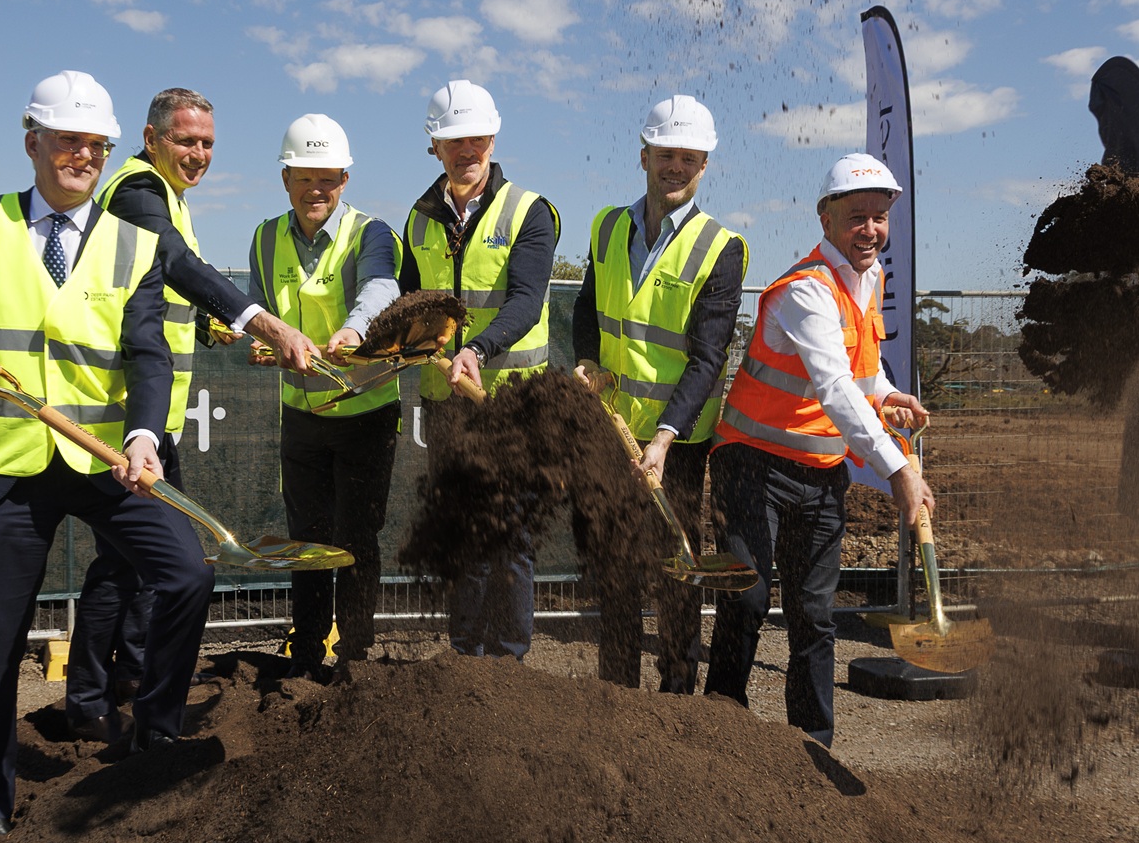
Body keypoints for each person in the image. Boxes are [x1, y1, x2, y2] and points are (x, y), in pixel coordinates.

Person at [0, 70, 215, 835]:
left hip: (103, 459)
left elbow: (148, 355)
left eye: (95, 144)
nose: (83, 155)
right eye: (68, 140)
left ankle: (154, 736)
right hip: (6, 467)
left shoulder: (134, 245)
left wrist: (144, 436)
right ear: (32, 142)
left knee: (187, 573)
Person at [62, 88, 318, 743]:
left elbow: (152, 295)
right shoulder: (138, 192)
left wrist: (208, 330)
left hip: (152, 421)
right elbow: (175, 264)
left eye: (206, 143)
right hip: (124, 423)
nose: (198, 154)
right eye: (185, 141)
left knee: (140, 565)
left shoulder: (165, 197)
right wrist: (261, 320)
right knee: (137, 566)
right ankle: (95, 700)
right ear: (151, 139)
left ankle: (122, 682)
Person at [704, 152, 933, 747]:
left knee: (815, 616)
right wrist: (899, 467)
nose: (871, 230)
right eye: (857, 217)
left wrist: (887, 394)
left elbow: (858, 372)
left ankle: (813, 750)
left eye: (880, 218)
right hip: (752, 463)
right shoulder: (805, 291)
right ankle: (718, 736)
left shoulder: (869, 278)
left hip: (821, 471)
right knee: (747, 600)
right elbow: (832, 388)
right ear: (825, 219)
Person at [571, 95, 748, 693]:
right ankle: (615, 694)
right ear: (644, 155)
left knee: (677, 568)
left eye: (690, 159)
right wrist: (587, 360)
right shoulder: (606, 226)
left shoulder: (722, 249)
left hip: (677, 441)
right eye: (667, 155)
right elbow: (585, 309)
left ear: (705, 166)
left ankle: (676, 698)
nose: (677, 167)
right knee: (614, 567)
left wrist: (666, 437)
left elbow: (707, 358)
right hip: (611, 429)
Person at [400, 79, 559, 659]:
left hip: (511, 401)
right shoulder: (418, 218)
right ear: (435, 147)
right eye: (453, 140)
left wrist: (480, 349)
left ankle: (508, 658)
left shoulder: (530, 211)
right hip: (446, 404)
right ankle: (465, 655)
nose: (467, 149)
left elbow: (526, 299)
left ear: (492, 138)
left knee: (512, 536)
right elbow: (411, 300)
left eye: (476, 138)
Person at [247, 114, 402, 680]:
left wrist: (356, 330)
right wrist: (260, 342)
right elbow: (257, 311)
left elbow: (381, 286)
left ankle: (356, 654)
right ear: (286, 178)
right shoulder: (265, 237)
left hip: (366, 416)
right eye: (304, 177)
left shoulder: (371, 233)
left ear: (345, 180)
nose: (317, 189)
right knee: (306, 537)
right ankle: (307, 647)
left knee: (357, 537)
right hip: (302, 416)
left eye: (329, 178)